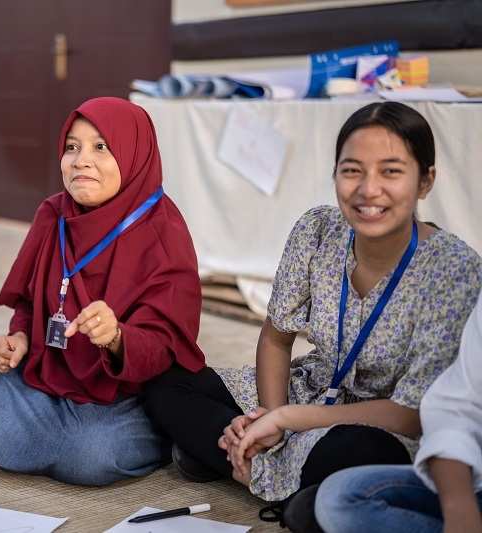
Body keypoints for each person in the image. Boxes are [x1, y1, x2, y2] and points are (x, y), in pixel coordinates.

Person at [144, 101, 482, 531]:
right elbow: (276, 337)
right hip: (310, 391)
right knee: (169, 383)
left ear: (425, 181)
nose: (368, 189)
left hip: (382, 426)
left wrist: (287, 421)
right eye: (352, 170)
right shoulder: (317, 230)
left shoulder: (453, 269)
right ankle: (264, 464)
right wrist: (270, 416)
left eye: (391, 171)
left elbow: (415, 414)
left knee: (361, 455)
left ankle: (233, 459)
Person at [0, 96, 205, 486]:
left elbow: (168, 342)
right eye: (72, 147)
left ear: (135, 152)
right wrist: (20, 336)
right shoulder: (53, 214)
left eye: (101, 147)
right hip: (46, 376)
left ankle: (132, 438)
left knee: (90, 458)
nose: (81, 160)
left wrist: (118, 337)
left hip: (122, 397)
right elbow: (29, 299)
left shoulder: (163, 229)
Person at [315, 290, 482, 533]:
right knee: (339, 498)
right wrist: (458, 506)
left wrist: (287, 419)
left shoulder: (454, 267)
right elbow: (457, 410)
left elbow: (406, 417)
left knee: (345, 452)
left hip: (390, 429)